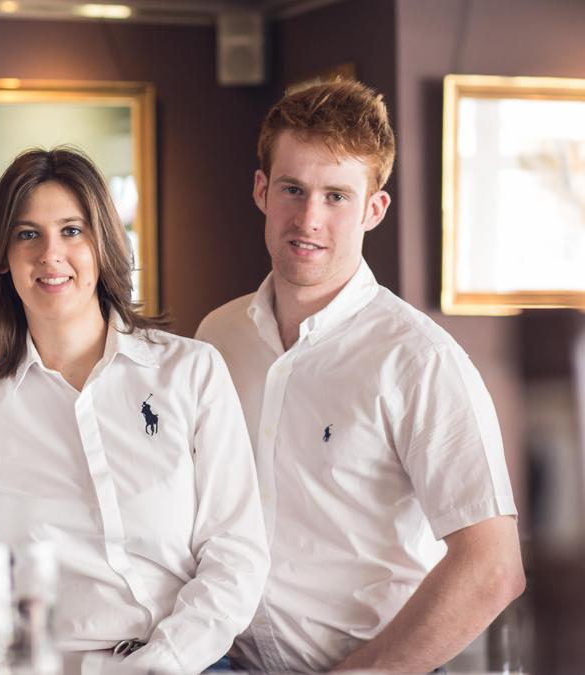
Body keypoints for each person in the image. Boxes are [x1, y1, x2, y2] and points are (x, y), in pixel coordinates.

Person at [196, 78, 525, 672]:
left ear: (375, 209)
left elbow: (492, 568)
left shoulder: (420, 360)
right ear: (261, 190)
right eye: (292, 189)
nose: (309, 218)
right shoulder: (216, 339)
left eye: (337, 196)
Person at [0, 147, 268, 672]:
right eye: (27, 234)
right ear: (1, 257)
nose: (50, 255)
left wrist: (162, 662)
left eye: (72, 230)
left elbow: (236, 554)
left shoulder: (190, 371)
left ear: (103, 243)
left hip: (189, 662)